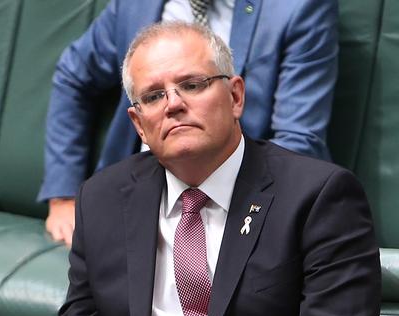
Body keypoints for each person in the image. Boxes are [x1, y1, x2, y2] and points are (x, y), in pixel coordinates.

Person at [43, 21, 379, 316]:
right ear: (139, 123)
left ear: (236, 96)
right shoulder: (103, 197)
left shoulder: (318, 193)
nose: (174, 103)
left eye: (192, 84)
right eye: (154, 96)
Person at [40, 0, 338, 246]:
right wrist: (64, 196)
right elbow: (73, 77)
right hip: (132, 202)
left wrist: (236, 219)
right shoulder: (133, 5)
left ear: (236, 94)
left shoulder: (297, 7)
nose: (174, 103)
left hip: (238, 202)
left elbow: (297, 139)